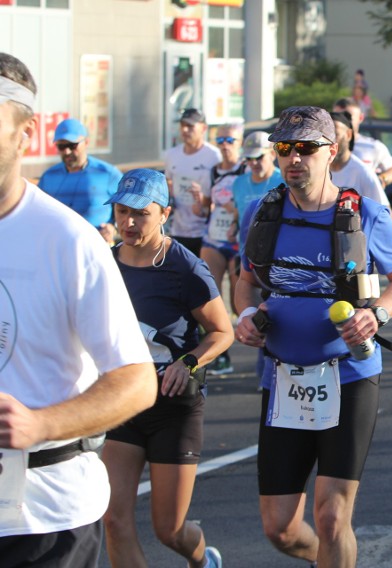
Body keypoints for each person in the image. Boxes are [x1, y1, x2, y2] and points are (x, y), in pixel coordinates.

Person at [234, 106, 392, 568]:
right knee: (279, 527)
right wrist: (245, 314)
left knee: (333, 517)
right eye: (285, 148)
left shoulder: (366, 215)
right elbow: (246, 282)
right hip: (283, 378)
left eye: (307, 148)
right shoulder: (262, 213)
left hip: (349, 375)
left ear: (331, 152)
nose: (294, 158)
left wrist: (376, 315)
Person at [0, 51, 157, 566]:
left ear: (24, 135)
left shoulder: (66, 240)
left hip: (43, 519)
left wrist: (41, 425)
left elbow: (137, 379)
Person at [101, 169, 233, 568]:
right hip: (122, 401)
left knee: (169, 529)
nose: (128, 222)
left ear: (165, 214)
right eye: (122, 211)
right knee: (113, 518)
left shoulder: (185, 268)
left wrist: (188, 361)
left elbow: (222, 332)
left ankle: (201, 559)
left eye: (140, 213)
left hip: (171, 406)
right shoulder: (105, 264)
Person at [203, 122, 246, 376]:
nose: (225, 145)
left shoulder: (246, 167)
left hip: (238, 240)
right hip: (214, 238)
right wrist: (201, 202)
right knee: (208, 294)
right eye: (220, 140)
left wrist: (236, 210)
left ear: (240, 143)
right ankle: (221, 355)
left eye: (230, 140)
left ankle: (264, 353)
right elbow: (207, 204)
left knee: (237, 301)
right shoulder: (213, 171)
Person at [38, 117, 123, 243]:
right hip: (59, 245)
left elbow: (127, 208)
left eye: (72, 145)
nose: (67, 151)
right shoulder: (49, 176)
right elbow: (38, 211)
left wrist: (113, 227)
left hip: (96, 245)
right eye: (61, 146)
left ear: (87, 142)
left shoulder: (107, 173)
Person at [164, 108, 222, 256]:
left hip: (205, 232)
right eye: (182, 125)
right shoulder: (172, 154)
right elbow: (169, 182)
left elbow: (223, 192)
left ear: (203, 128)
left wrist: (202, 199)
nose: (184, 130)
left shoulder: (214, 156)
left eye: (190, 126)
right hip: (177, 229)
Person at [329, 110, 390, 208]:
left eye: (335, 135)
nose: (330, 141)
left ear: (349, 134)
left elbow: (384, 215)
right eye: (326, 136)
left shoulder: (363, 173)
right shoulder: (316, 170)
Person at [333, 97, 392, 188]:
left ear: (360, 117)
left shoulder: (372, 146)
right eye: (338, 117)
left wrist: (382, 179)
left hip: (361, 199)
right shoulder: (324, 146)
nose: (343, 121)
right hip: (328, 200)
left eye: (348, 117)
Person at [232, 131, 285, 227]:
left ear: (272, 154)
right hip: (245, 241)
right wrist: (234, 225)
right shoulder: (238, 182)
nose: (253, 163)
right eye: (248, 158)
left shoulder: (284, 181)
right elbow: (237, 212)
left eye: (258, 157)